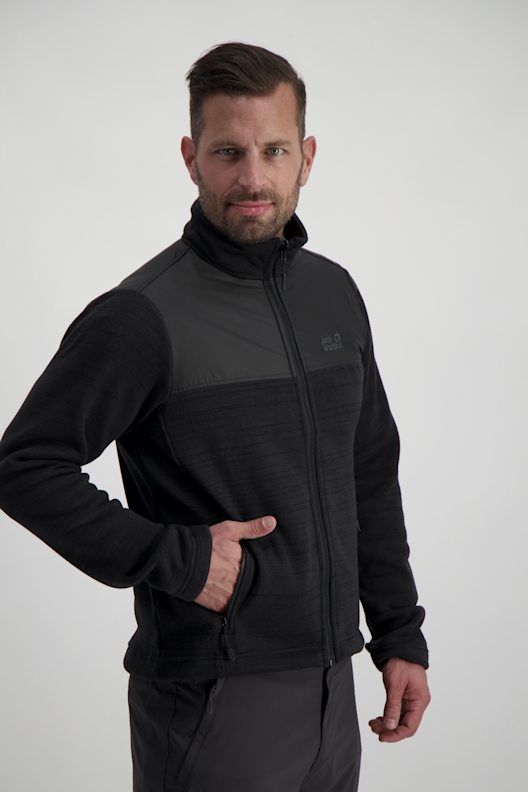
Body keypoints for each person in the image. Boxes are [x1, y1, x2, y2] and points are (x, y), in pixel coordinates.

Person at [0, 42, 430, 791]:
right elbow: (24, 468)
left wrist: (398, 635)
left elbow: (367, 472)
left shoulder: (334, 294)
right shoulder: (141, 316)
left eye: (274, 150)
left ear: (307, 157)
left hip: (334, 688)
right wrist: (180, 559)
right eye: (229, 152)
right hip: (213, 698)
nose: (253, 178)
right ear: (191, 158)